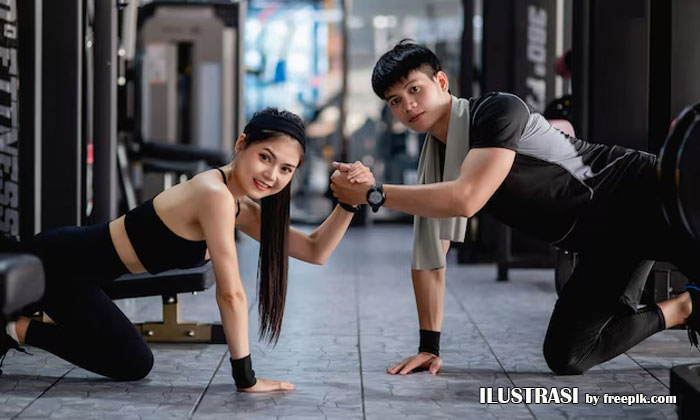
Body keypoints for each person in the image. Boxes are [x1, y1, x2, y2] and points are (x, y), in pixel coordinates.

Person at [330, 41, 700, 376]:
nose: (407, 105)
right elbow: (430, 253)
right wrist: (429, 346)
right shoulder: (439, 159)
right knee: (567, 356)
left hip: (645, 196)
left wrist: (375, 194)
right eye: (395, 100)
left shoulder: (496, 111)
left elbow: (466, 198)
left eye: (414, 89)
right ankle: (686, 307)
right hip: (604, 242)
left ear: (441, 82)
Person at [0, 108, 373, 392]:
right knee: (133, 362)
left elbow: (314, 250)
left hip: (90, 276)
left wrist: (349, 203)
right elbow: (231, 293)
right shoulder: (214, 194)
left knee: (130, 360)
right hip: (61, 263)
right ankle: (10, 328)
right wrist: (246, 378)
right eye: (266, 157)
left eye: (286, 169)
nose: (272, 175)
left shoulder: (239, 205)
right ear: (241, 144)